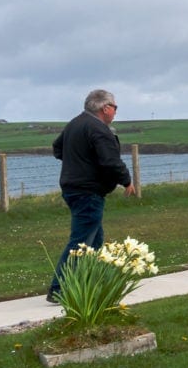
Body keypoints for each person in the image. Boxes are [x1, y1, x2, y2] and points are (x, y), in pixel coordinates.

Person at [47, 89, 136, 303]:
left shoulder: (75, 123)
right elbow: (110, 161)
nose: (115, 111)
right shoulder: (99, 129)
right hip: (88, 191)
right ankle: (59, 288)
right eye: (115, 107)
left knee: (95, 241)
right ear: (105, 108)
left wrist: (78, 163)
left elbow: (58, 149)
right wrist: (126, 180)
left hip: (73, 187)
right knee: (81, 243)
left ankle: (89, 282)